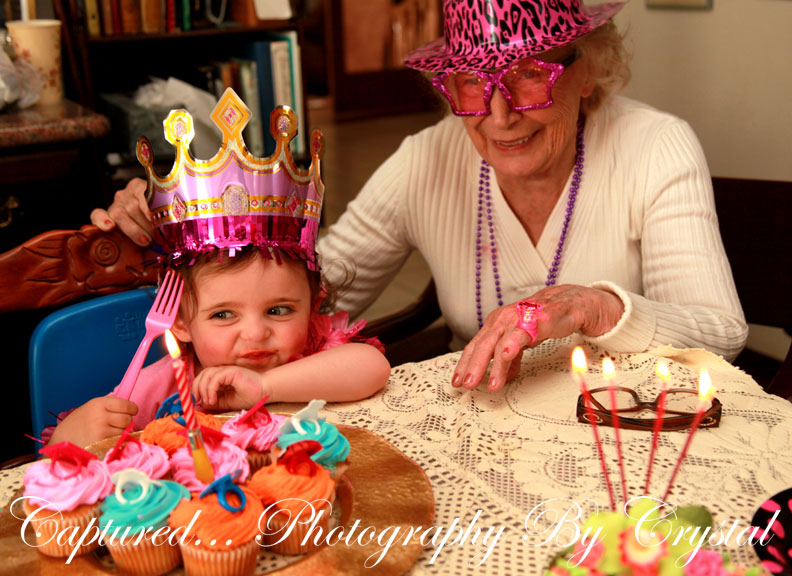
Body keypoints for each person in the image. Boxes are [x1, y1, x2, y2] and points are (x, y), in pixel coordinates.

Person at [91, 0, 747, 395]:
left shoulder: (656, 146)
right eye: (472, 83)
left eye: (528, 76)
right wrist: (188, 239)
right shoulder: (427, 158)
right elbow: (317, 286)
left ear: (589, 70)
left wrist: (592, 305)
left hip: (625, 423)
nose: (499, 116)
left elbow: (722, 333)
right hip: (480, 419)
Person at [48, 99, 390, 448]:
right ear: (180, 321)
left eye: (279, 310)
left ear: (313, 306)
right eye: (223, 314)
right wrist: (69, 435)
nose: (256, 334)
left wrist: (264, 387)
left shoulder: (313, 350)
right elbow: (88, 446)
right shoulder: (167, 382)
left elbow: (373, 367)